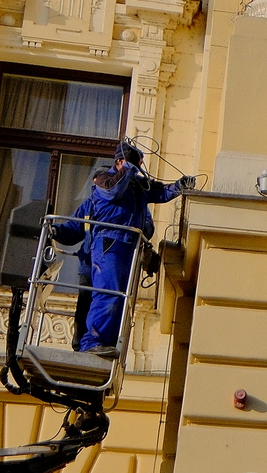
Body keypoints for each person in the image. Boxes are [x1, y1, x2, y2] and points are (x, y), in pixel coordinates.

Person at [53, 142, 192, 357]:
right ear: (120, 163)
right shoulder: (104, 183)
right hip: (101, 253)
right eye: (136, 164)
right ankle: (89, 343)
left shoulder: (136, 190)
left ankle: (103, 343)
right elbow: (76, 225)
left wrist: (178, 187)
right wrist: (55, 232)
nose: (139, 168)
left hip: (124, 250)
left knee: (116, 297)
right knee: (102, 297)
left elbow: (159, 194)